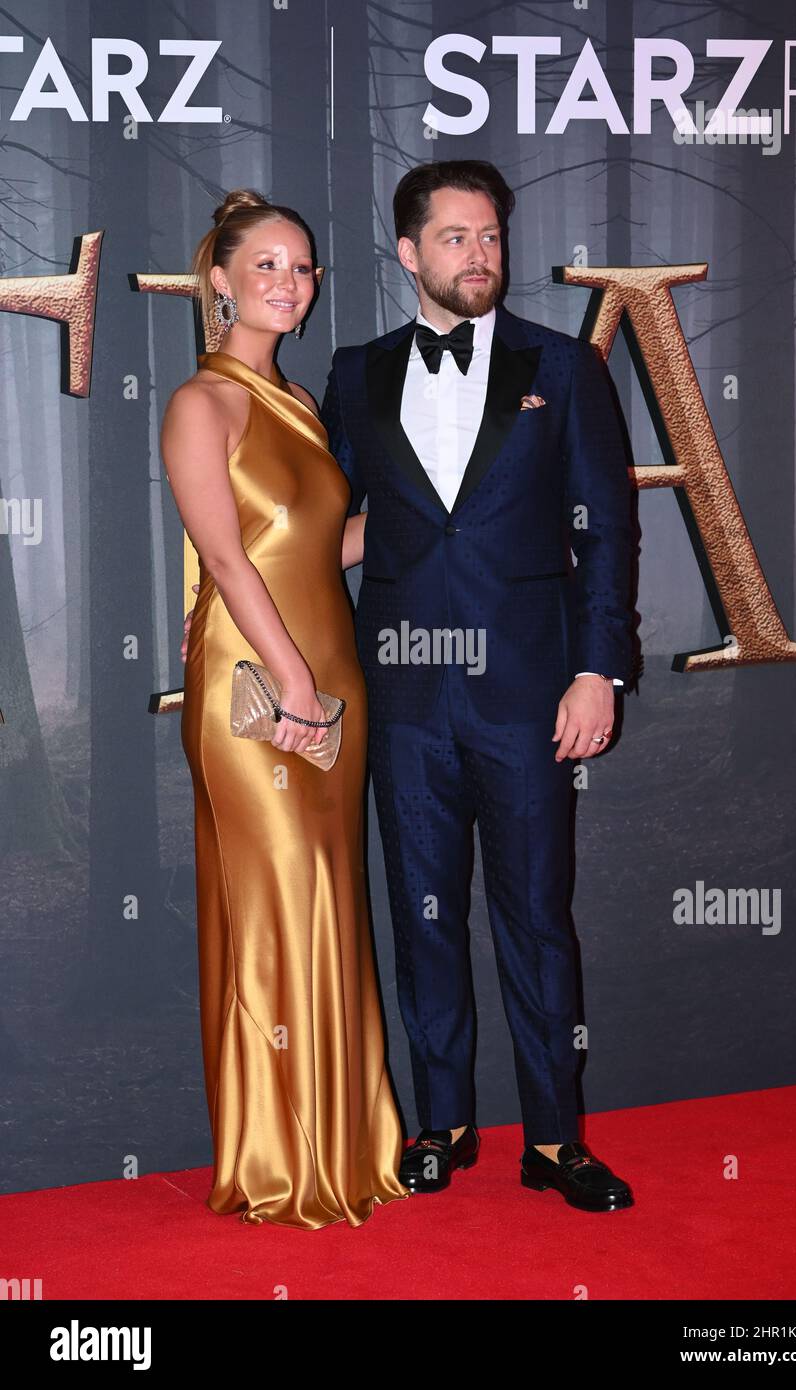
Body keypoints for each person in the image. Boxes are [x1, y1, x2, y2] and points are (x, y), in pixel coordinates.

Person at [320, 160, 637, 1212]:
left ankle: (552, 1138)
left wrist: (596, 668)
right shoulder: (356, 374)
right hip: (404, 704)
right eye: (454, 237)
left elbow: (608, 528)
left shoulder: (564, 366)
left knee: (537, 918)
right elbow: (324, 531)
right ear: (408, 253)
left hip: (528, 695)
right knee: (422, 917)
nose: (480, 256)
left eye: (490, 236)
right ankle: (439, 1120)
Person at [161, 189, 409, 1228]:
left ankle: (344, 1146)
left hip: (328, 683)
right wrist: (295, 683)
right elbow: (223, 554)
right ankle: (277, 1162)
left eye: (302, 268)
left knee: (330, 901)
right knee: (274, 905)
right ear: (217, 279)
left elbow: (321, 547)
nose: (288, 282)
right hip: (255, 691)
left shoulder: (298, 400)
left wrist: (430, 517)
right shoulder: (200, 404)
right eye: (265, 264)